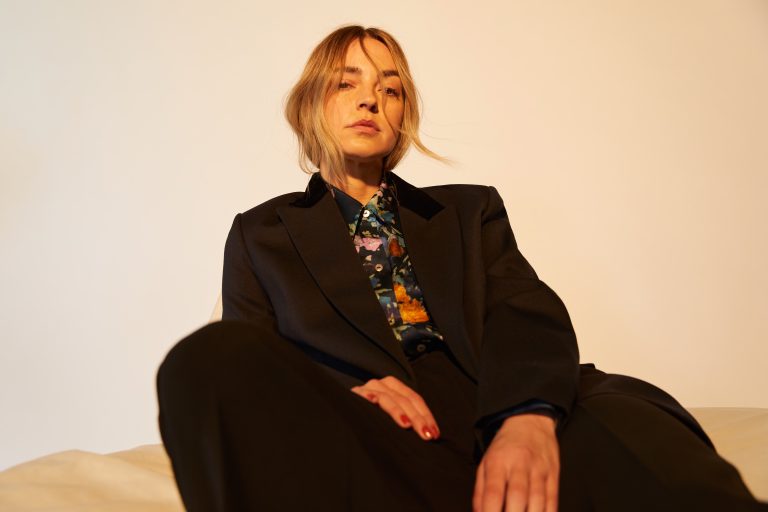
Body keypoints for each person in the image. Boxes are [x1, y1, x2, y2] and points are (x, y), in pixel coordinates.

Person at [156, 25, 766, 512]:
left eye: (391, 89)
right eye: (347, 83)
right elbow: (256, 369)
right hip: (380, 436)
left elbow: (525, 313)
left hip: (499, 401)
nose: (371, 99)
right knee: (203, 359)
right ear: (312, 101)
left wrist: (526, 418)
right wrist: (348, 392)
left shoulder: (469, 211)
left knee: (631, 431)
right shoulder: (261, 234)